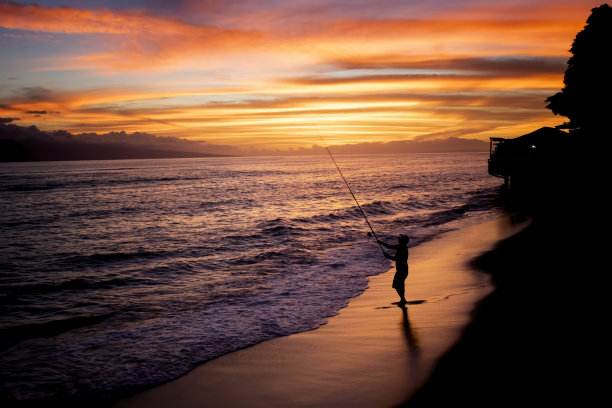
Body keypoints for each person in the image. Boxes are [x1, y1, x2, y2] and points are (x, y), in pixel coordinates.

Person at [378, 235, 410, 305]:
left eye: (400, 239)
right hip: (403, 269)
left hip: (402, 270)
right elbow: (390, 247)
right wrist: (381, 243)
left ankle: (403, 299)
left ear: (402, 241)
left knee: (397, 285)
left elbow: (395, 259)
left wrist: (387, 256)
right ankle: (403, 299)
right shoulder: (401, 247)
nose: (398, 240)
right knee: (399, 285)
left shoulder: (402, 249)